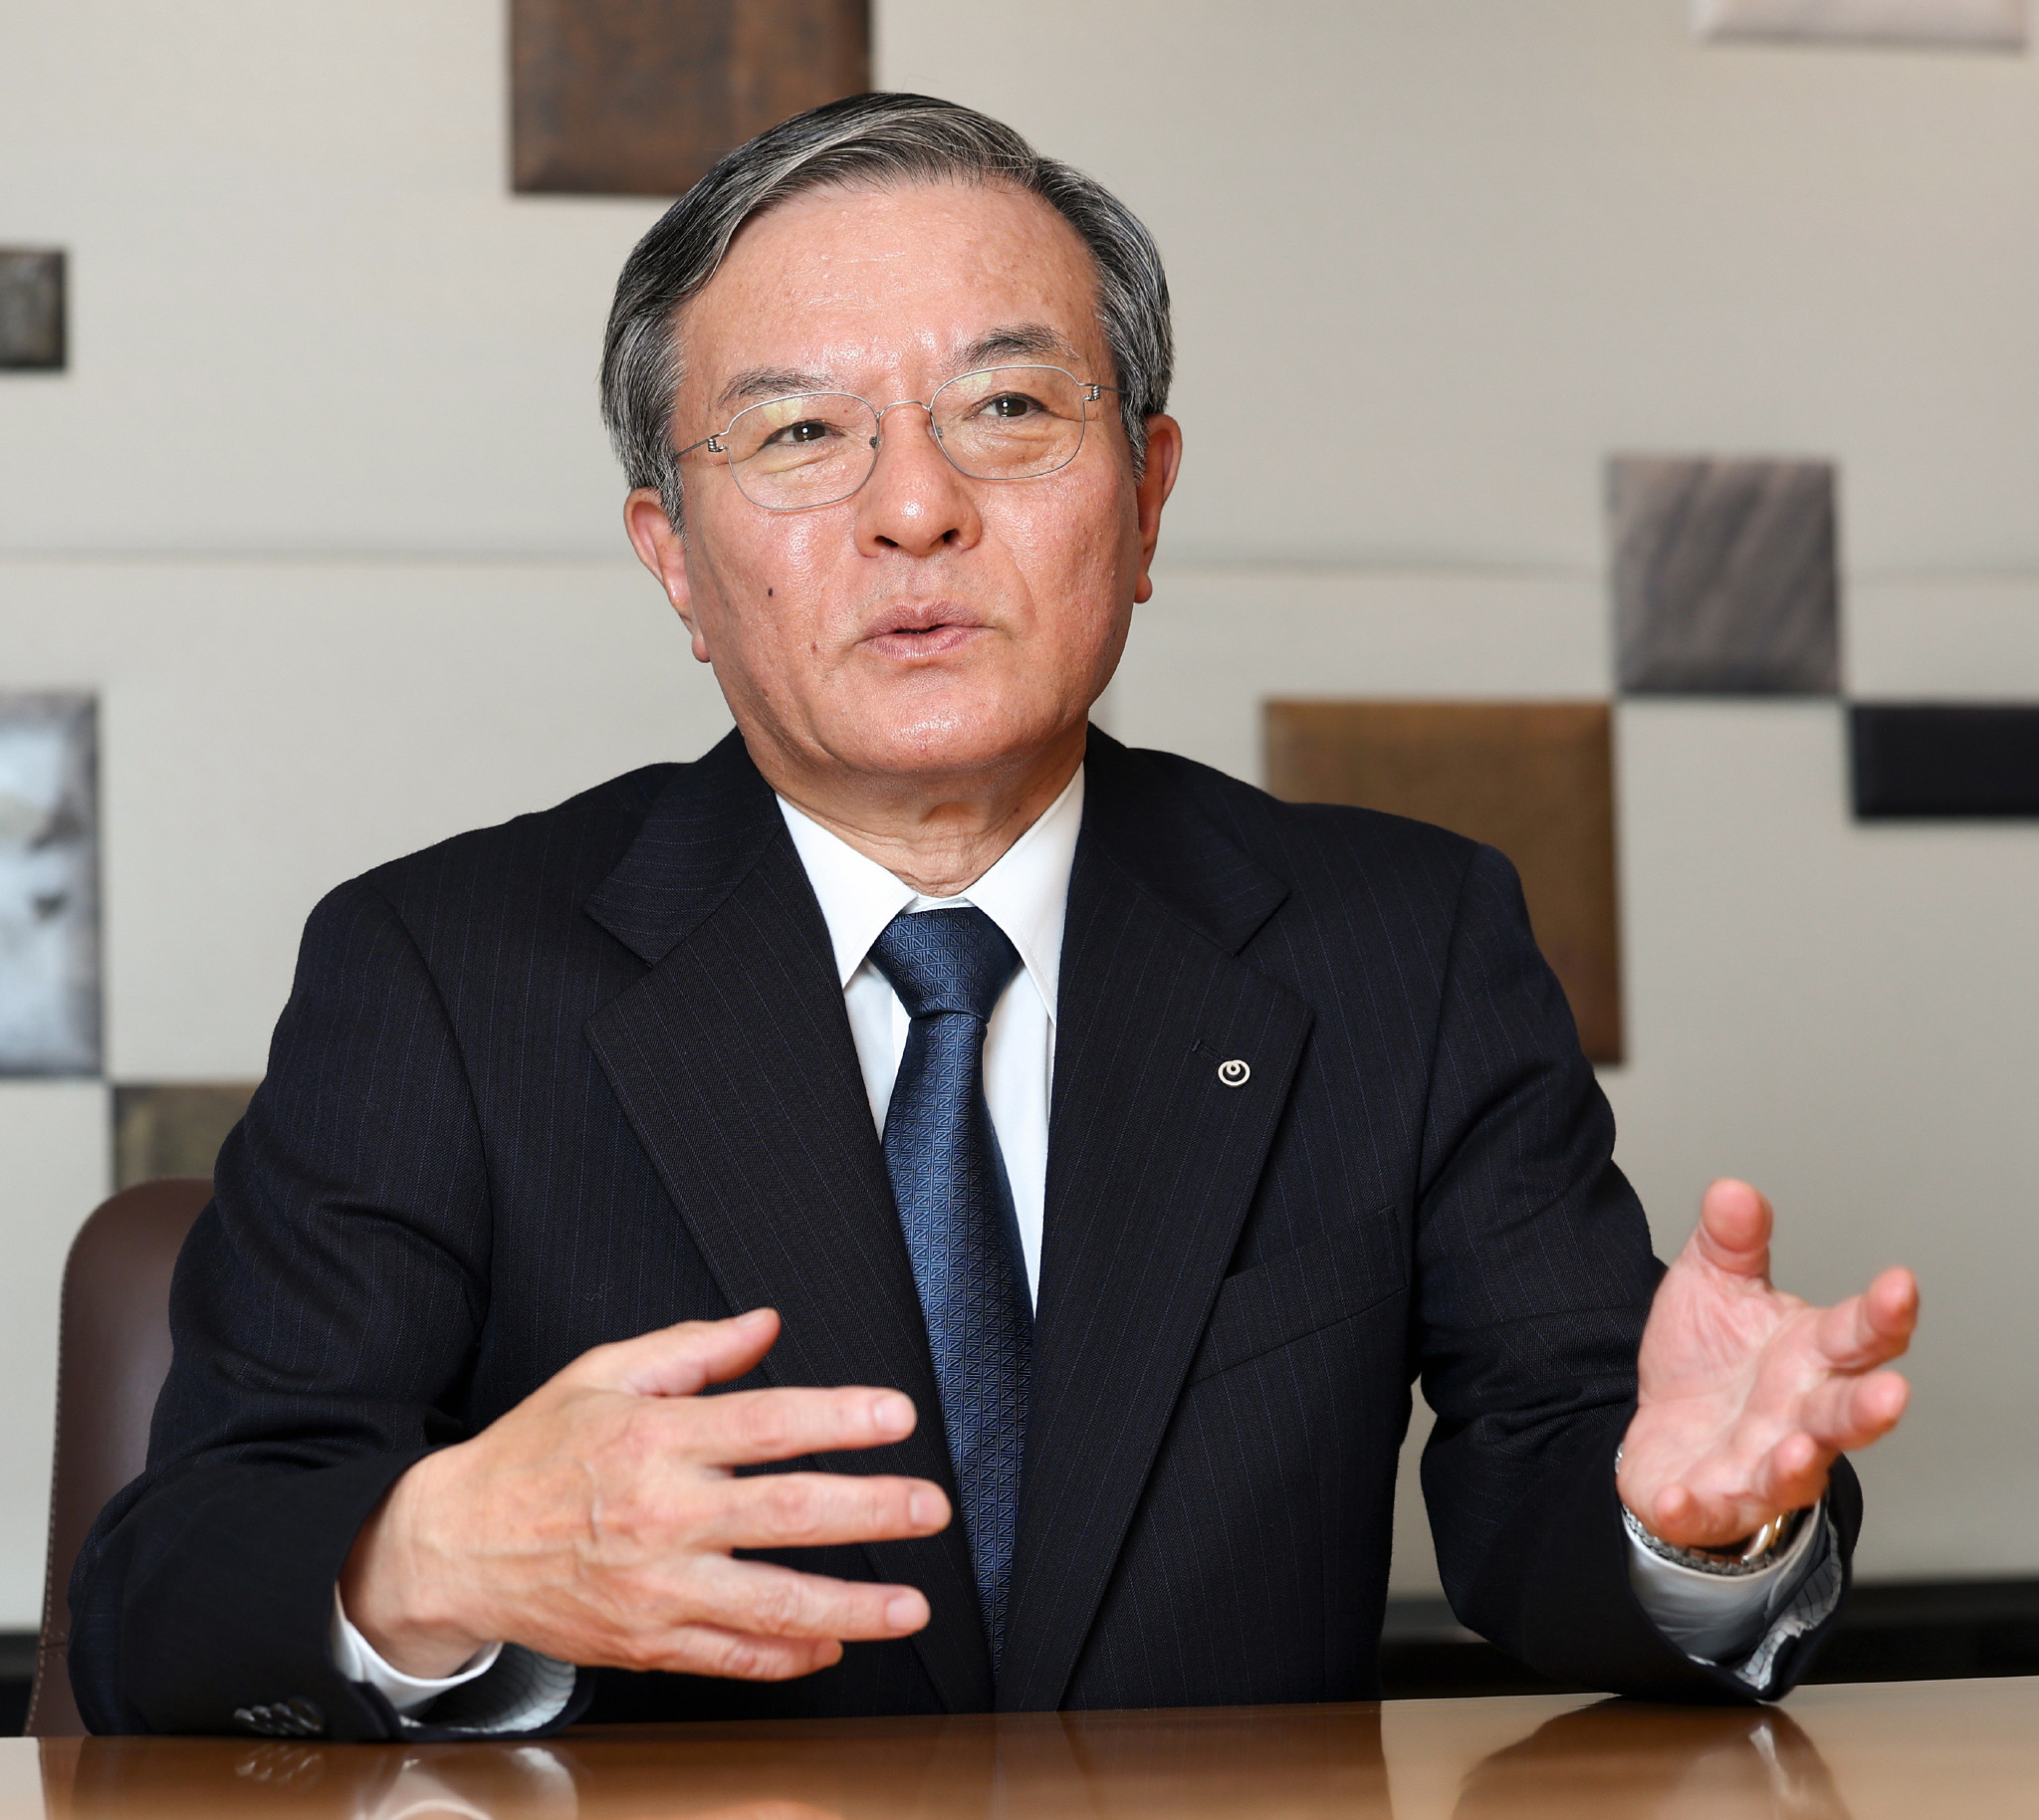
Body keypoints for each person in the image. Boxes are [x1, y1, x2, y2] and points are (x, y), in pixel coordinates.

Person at [70, 95, 1918, 1740]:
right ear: (674, 560)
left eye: (1010, 410)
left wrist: (1693, 1527)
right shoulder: (443, 972)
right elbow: (170, 1599)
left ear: (1148, 499)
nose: (916, 509)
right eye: (802, 432)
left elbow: (1565, 1484)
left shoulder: (1398, 943)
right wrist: (438, 1552)